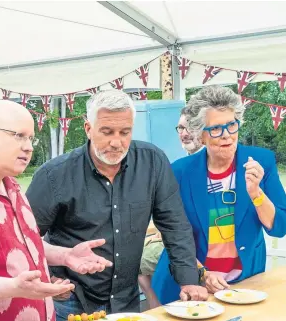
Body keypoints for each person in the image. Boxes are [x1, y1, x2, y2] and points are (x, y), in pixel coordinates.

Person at [26, 89, 208, 319]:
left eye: (125, 132)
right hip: (71, 297)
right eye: (107, 131)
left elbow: (174, 225)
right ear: (88, 129)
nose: (116, 142)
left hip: (125, 297)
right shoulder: (54, 175)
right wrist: (44, 275)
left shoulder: (152, 162)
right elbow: (22, 238)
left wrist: (189, 281)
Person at [0, 100, 113, 321]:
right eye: (19, 136)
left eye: (31, 138)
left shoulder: (12, 186)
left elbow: (21, 243)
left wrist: (66, 255)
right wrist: (13, 287)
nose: (29, 146)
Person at [154, 85, 286, 298]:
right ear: (200, 135)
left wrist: (256, 194)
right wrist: (202, 274)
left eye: (231, 125)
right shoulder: (179, 172)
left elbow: (280, 227)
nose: (227, 136)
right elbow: (174, 235)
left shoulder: (262, 161)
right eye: (216, 129)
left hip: (244, 284)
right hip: (190, 286)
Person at [138, 107, 205, 309]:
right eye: (180, 128)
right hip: (179, 241)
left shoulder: (200, 166)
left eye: (190, 128)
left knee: (138, 262)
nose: (184, 133)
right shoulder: (179, 165)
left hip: (194, 247)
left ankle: (157, 309)